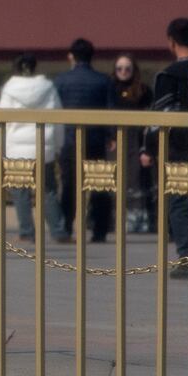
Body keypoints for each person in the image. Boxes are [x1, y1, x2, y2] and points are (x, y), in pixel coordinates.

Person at [0, 53, 67, 243]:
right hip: (42, 144)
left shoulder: (9, 89)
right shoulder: (48, 87)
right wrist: (58, 144)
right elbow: (58, 118)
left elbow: (1, 119)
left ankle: (27, 231)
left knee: (20, 191)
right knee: (48, 189)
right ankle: (58, 231)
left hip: (15, 147)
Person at [146, 17, 188, 277]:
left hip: (179, 149)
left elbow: (158, 118)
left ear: (171, 42)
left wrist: (148, 148)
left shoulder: (168, 75)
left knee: (180, 203)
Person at [51, 38, 113, 244]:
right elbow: (112, 111)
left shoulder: (61, 80)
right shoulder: (103, 80)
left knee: (69, 185)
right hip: (96, 139)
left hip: (69, 139)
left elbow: (55, 112)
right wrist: (111, 136)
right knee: (98, 184)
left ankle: (66, 227)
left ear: (71, 56)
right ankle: (100, 230)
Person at [110, 53, 155, 234]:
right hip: (116, 140)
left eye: (127, 68)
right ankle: (115, 220)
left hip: (137, 140)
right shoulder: (110, 89)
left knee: (138, 178)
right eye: (119, 68)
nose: (123, 72)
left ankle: (140, 221)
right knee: (116, 179)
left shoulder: (143, 90)